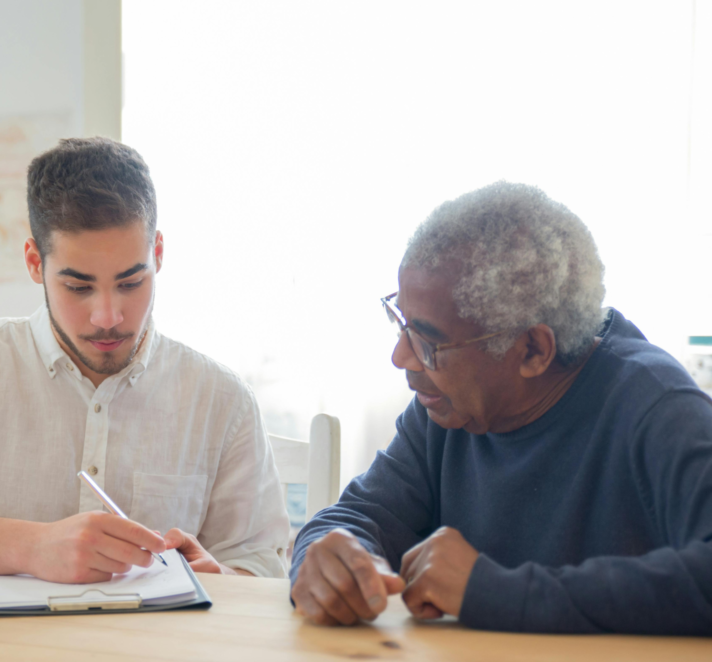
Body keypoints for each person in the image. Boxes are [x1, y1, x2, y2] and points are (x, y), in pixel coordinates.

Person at [0, 137, 289, 582]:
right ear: (33, 263)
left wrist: (220, 577)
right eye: (78, 287)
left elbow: (264, 567)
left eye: (130, 282)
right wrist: (32, 546)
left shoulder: (221, 400)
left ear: (158, 253)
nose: (108, 316)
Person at [290, 181, 712, 634]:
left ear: (532, 349)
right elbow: (357, 516)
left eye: (428, 342)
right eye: (401, 324)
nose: (402, 358)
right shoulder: (446, 408)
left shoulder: (657, 408)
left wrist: (492, 591)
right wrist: (326, 555)